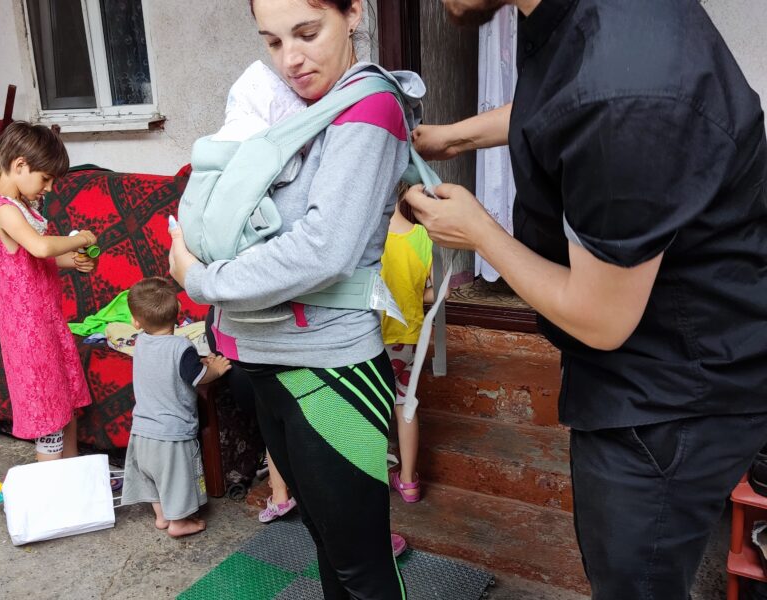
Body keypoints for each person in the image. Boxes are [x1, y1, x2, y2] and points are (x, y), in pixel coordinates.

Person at [405, 1, 767, 598]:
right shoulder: (583, 21)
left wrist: (479, 234)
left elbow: (600, 320)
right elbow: (562, 102)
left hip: (671, 395)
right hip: (662, 355)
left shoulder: (627, 89)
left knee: (633, 582)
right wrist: (458, 135)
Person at [169, 0, 423, 596]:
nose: (292, 59)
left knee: (361, 565)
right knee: (327, 548)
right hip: (268, 360)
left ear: (354, 13)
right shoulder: (294, 108)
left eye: (307, 33)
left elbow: (322, 249)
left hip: (329, 370)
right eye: (273, 41)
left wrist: (201, 279)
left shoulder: (369, 106)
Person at [0, 121, 98, 462]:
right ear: (19, 165)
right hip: (28, 332)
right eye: (45, 178)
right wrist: (81, 239)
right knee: (49, 416)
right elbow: (40, 248)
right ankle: (53, 501)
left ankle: (75, 484)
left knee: (67, 407)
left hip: (48, 323)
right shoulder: (1, 209)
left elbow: (35, 260)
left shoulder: (23, 209)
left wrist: (73, 261)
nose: (48, 187)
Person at [120, 277, 231, 537]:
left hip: (142, 431)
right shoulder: (182, 347)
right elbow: (197, 377)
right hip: (172, 434)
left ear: (136, 321)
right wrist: (213, 369)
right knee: (177, 480)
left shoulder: (141, 342)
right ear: (178, 312)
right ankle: (179, 522)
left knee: (152, 479)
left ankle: (161, 516)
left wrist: (197, 361)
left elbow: (165, 365)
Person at [381, 194, 437, 503]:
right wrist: (415, 297)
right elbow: (441, 291)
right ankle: (408, 481)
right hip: (407, 334)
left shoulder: (368, 237)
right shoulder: (423, 238)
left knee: (370, 406)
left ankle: (372, 478)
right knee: (405, 402)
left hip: (368, 336)